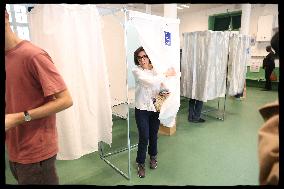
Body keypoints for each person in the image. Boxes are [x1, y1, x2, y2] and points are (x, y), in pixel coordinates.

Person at [5, 9, 73, 185]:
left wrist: (20, 117)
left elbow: (65, 100)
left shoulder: (33, 55)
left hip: (36, 153)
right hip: (15, 149)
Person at [132, 46, 176, 178]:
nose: (142, 60)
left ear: (148, 57)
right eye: (139, 58)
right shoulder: (136, 71)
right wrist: (166, 74)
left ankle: (153, 156)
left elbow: (161, 85)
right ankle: (140, 163)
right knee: (144, 136)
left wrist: (165, 87)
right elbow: (151, 82)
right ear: (137, 60)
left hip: (155, 108)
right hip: (141, 109)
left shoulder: (156, 69)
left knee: (153, 135)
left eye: (144, 56)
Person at [258, 31, 279, 185]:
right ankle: (267, 87)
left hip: (268, 70)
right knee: (267, 80)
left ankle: (267, 88)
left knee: (268, 81)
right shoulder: (271, 55)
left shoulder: (271, 56)